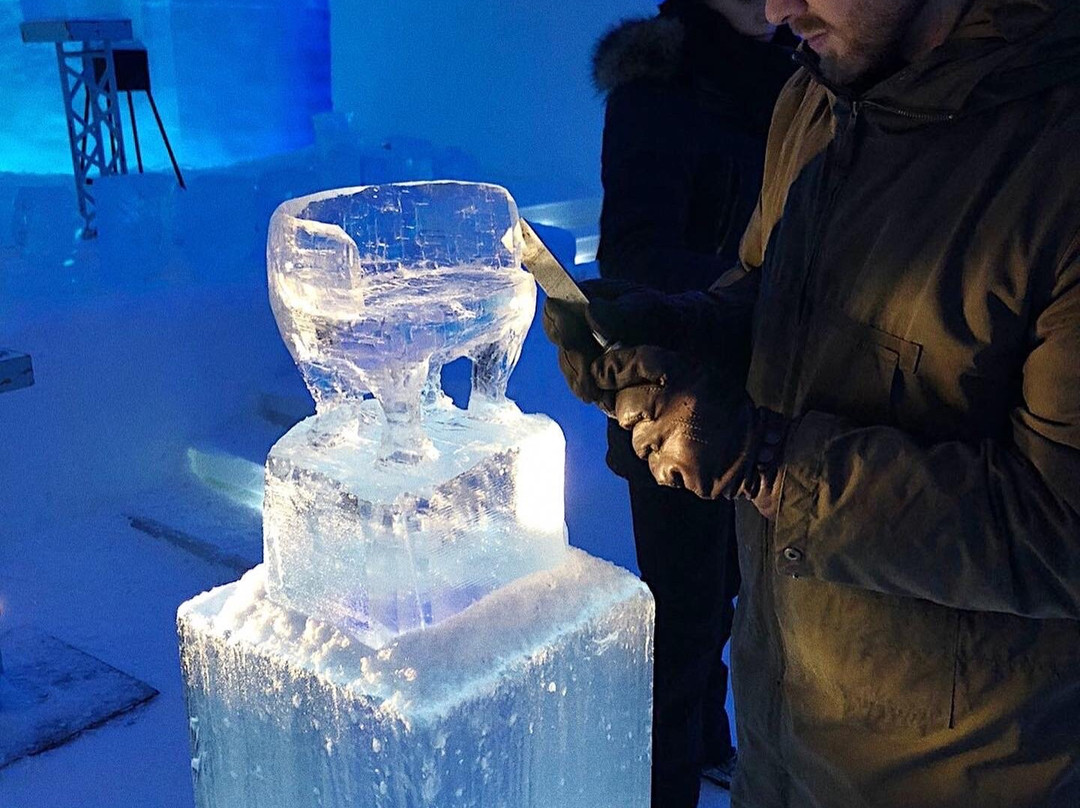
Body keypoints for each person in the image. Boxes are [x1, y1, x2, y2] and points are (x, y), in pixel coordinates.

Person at [545, 0, 1080, 805]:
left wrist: (764, 460)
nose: (774, 8)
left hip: (952, 776)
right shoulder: (817, 96)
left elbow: (1061, 533)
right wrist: (679, 325)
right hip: (782, 738)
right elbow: (774, 294)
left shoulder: (1054, 160)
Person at [586, 1, 793, 805]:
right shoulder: (657, 86)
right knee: (680, 617)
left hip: (761, 394)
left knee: (730, 596)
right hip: (667, 400)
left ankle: (709, 740)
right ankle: (664, 787)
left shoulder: (796, 83)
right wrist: (758, 288)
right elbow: (634, 252)